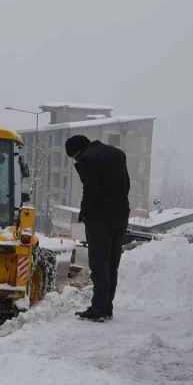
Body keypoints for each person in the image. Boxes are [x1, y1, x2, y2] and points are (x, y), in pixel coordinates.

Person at [65, 134, 130, 322]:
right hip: (121, 214)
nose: (75, 161)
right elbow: (127, 184)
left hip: (100, 219)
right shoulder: (117, 154)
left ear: (77, 152)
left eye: (73, 158)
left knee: (99, 264)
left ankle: (98, 308)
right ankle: (107, 306)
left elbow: (91, 189)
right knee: (111, 264)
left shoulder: (86, 159)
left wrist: (85, 212)